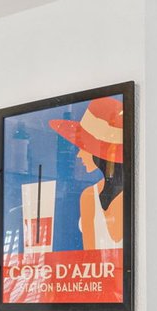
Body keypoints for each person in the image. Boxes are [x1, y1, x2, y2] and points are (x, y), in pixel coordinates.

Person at [51, 95, 126, 252]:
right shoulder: (89, 197)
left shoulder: (131, 195)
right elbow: (90, 258)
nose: (79, 155)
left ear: (98, 153)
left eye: (83, 147)